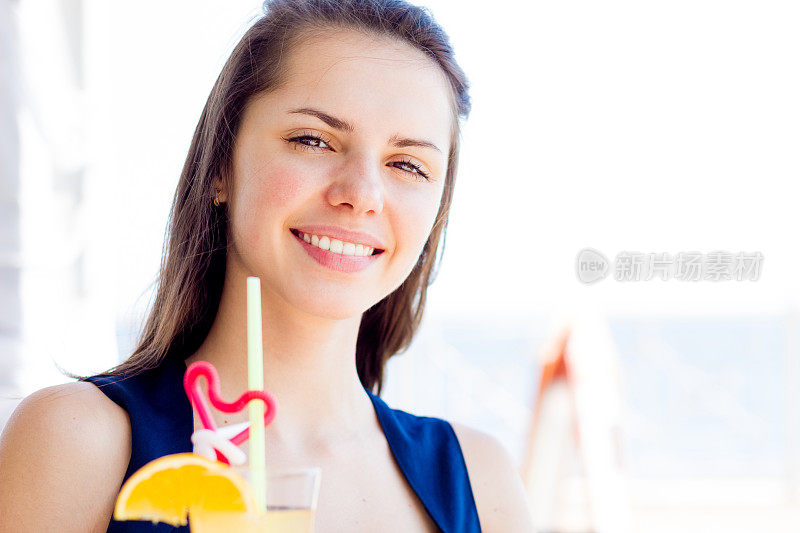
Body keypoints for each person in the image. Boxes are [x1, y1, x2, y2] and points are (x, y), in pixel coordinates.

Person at [0, 0, 534, 531]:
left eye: (408, 165)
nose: (363, 194)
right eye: (313, 140)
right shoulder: (77, 442)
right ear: (221, 167)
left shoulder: (483, 484)